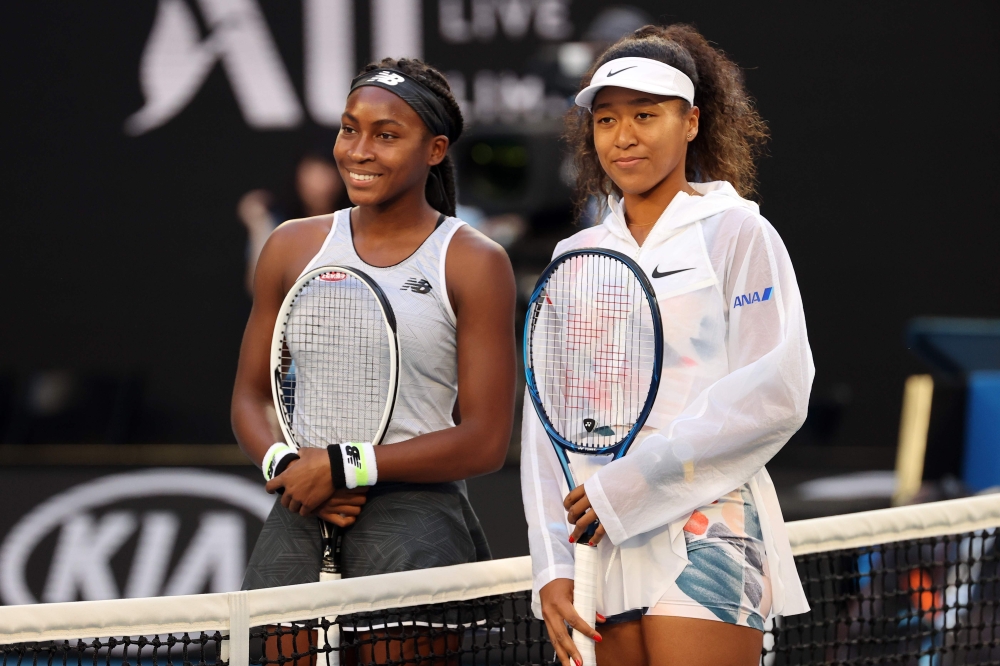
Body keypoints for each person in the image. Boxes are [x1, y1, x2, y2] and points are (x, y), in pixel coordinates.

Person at [521, 25, 813, 666]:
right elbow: (546, 424)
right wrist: (551, 563)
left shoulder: (739, 235)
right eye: (606, 120)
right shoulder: (575, 258)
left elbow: (779, 391)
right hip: (594, 534)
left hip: (708, 525)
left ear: (691, 123)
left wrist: (629, 486)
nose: (623, 137)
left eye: (646, 115)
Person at [231, 57, 517, 661]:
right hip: (301, 502)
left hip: (413, 521)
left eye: (387, 135)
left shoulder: (473, 261)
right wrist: (289, 465)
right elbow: (249, 397)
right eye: (348, 128)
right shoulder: (290, 245)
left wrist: (343, 466)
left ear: (435, 149)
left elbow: (486, 440)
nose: (359, 150)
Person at [237, 145, 351, 295]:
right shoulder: (278, 222)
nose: (319, 183)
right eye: (312, 172)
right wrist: (260, 225)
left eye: (326, 173)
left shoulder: (354, 224)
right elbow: (257, 286)